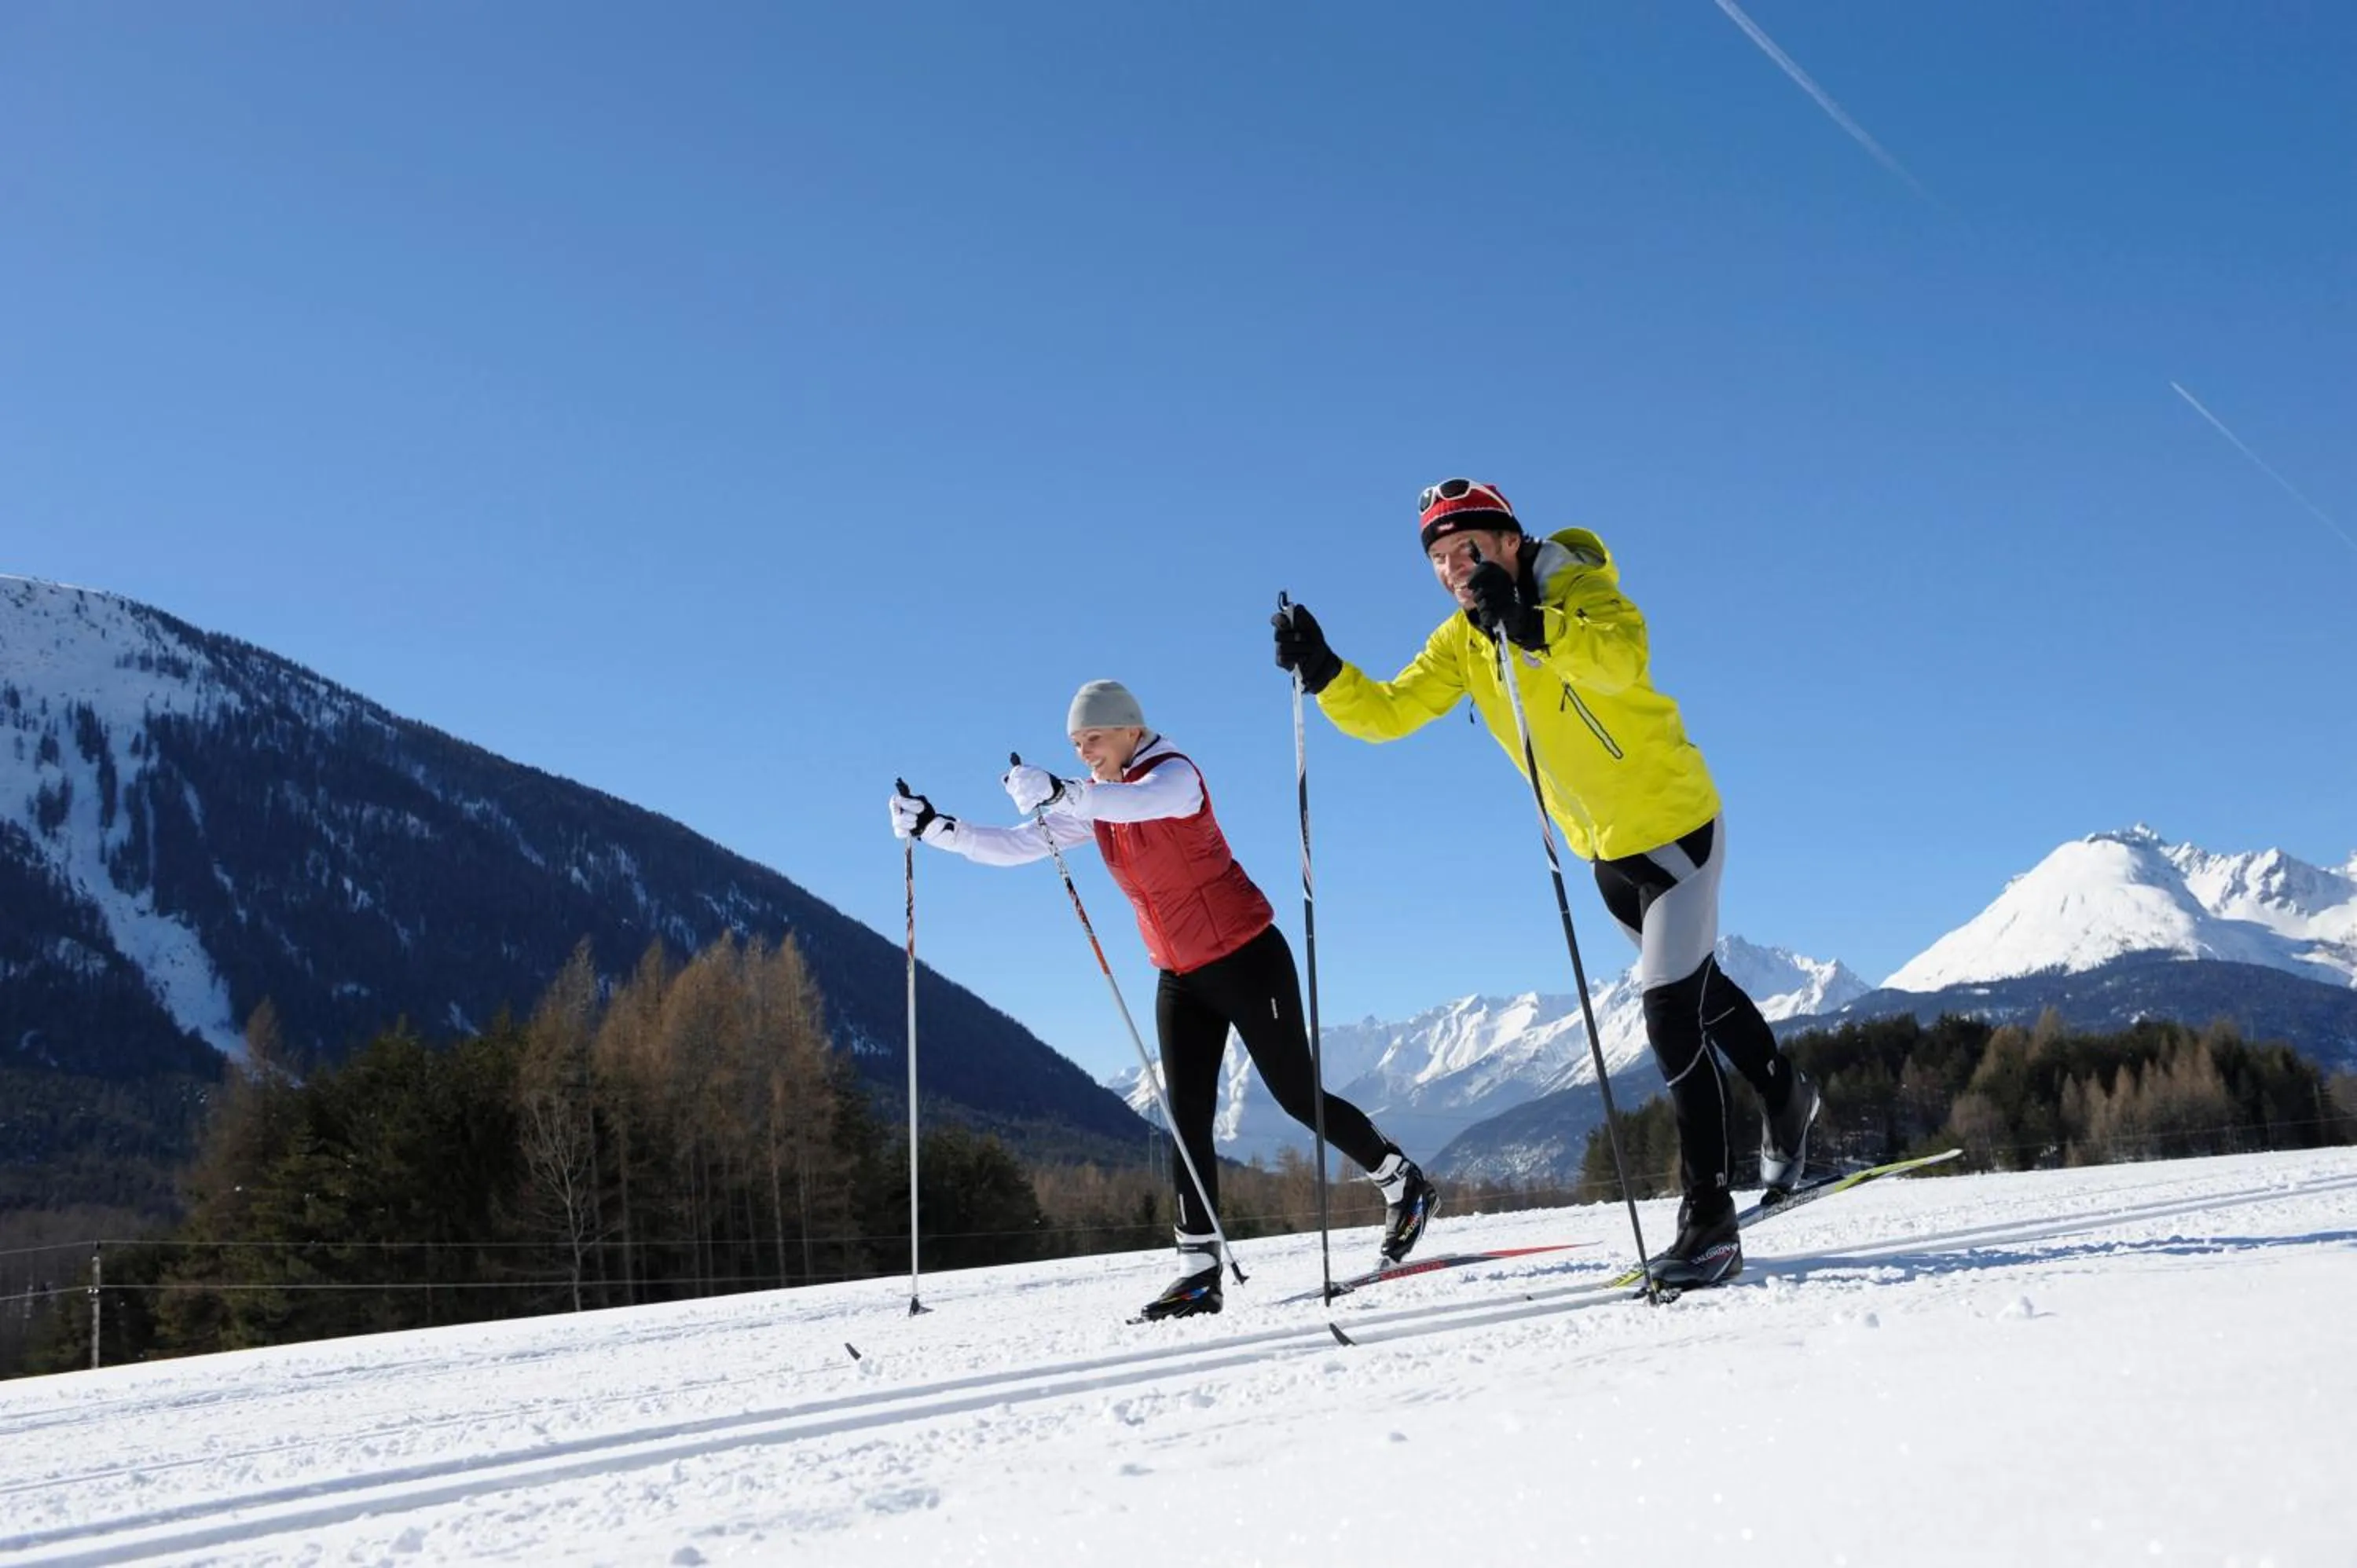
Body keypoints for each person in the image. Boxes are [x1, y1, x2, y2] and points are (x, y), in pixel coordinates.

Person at [1270, 478, 1820, 1290]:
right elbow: (1389, 712)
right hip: (1606, 856)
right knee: (1699, 994)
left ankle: (1711, 1223)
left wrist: (1532, 625)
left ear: (1510, 540)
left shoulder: (1575, 586)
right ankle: (1784, 1092)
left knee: (1670, 1012)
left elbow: (1624, 655)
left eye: (1468, 547)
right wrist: (1325, 672)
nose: (1454, 567)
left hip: (1675, 829)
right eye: (1438, 558)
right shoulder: (1462, 640)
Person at [889, 679, 1438, 1320]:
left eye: (1094, 738)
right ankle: (1198, 1272)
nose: (1084, 752)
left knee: (1295, 1095)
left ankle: (1402, 1182)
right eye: (1075, 744)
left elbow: (1142, 802)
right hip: (1180, 976)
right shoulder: (1100, 798)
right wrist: (937, 829)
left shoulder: (1175, 775)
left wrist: (1065, 792)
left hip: (1248, 957)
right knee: (1186, 1118)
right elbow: (1018, 845)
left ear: (1131, 729)